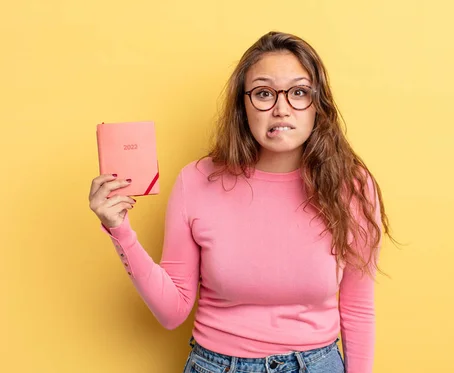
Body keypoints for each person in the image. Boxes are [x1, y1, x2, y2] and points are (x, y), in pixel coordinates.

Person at [88, 31, 392, 373]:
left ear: (318, 104)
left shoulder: (351, 186)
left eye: (298, 92)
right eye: (264, 93)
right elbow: (172, 312)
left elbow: (357, 308)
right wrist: (120, 230)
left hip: (317, 364)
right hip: (216, 365)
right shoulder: (197, 181)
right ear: (243, 106)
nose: (281, 108)